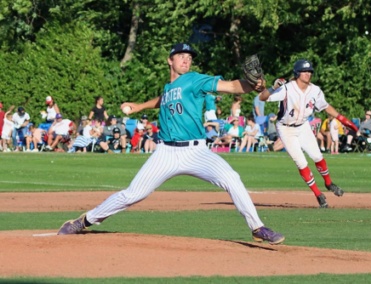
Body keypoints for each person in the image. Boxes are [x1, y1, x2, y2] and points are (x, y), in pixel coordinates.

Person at [57, 42, 285, 245]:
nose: (186, 59)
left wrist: (252, 84)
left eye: (189, 56)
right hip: (165, 153)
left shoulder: (195, 79)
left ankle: (257, 227)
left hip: (197, 151)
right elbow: (162, 100)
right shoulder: (169, 88)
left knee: (231, 178)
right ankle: (84, 221)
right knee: (132, 194)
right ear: (170, 60)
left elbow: (232, 86)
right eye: (181, 55)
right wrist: (139, 106)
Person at [258, 59, 358, 208]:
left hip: (303, 125)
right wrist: (273, 87)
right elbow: (262, 97)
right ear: (297, 73)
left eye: (309, 71)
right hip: (286, 128)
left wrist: (342, 119)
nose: (307, 74)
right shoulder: (287, 88)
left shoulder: (315, 90)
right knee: (301, 162)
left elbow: (325, 106)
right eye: (304, 71)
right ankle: (318, 195)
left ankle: (329, 183)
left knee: (318, 156)